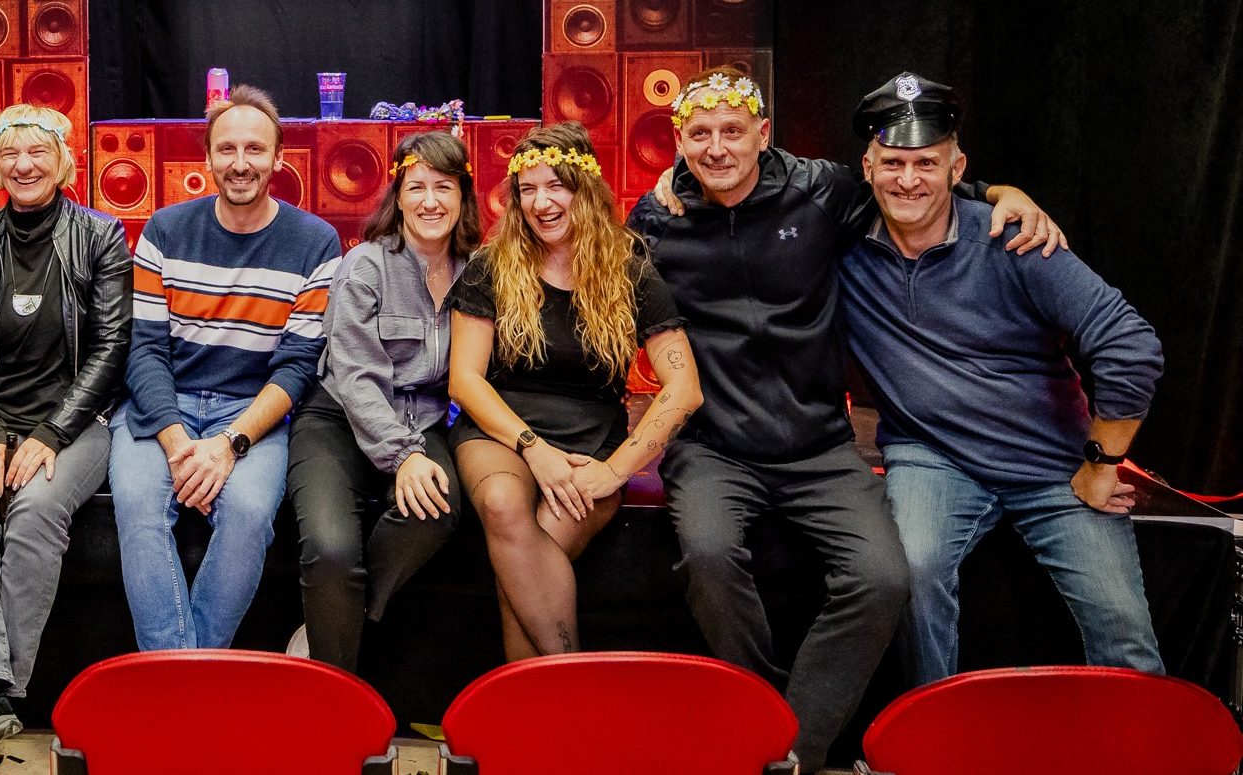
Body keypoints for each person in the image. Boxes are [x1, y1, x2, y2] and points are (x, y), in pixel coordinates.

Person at [628, 65, 1065, 769]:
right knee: (707, 557)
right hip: (713, 447)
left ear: (762, 133)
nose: (717, 147)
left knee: (883, 577)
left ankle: (794, 749)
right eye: (700, 134)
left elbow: (912, 190)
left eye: (733, 130)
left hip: (819, 447)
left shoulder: (821, 189)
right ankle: (764, 720)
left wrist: (1001, 193)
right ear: (679, 141)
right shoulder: (656, 218)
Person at [838, 72, 1164, 686]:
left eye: (927, 163)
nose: (908, 179)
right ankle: (929, 728)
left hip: (1052, 463)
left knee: (1122, 624)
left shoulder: (1014, 238)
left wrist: (1102, 462)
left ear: (956, 167)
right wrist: (677, 181)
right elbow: (749, 179)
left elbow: (1130, 343)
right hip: (930, 456)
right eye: (894, 163)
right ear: (868, 167)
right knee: (911, 574)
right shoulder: (844, 243)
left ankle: (1143, 736)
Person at [447, 123, 699, 660]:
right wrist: (533, 449)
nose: (541, 203)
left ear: (584, 188)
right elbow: (464, 380)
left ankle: (535, 702)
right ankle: (570, 681)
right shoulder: (491, 267)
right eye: (528, 190)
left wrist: (615, 471)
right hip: (501, 432)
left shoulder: (630, 270)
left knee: (526, 563)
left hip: (593, 445)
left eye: (555, 186)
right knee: (502, 506)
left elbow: (684, 389)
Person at [111, 84, 343, 650]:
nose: (241, 163)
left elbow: (296, 368)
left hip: (251, 411)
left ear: (279, 158)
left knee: (248, 513)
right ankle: (186, 679)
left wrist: (229, 444)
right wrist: (176, 443)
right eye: (227, 149)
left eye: (255, 149)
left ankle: (179, 677)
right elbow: (145, 351)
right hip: (162, 406)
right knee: (139, 510)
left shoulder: (316, 243)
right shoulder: (165, 230)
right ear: (209, 158)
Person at [0, 104, 131, 741]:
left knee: (36, 509)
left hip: (75, 422)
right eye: (10, 154)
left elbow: (111, 349)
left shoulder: (100, 235)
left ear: (64, 163)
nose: (23, 165)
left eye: (37, 152)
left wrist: (50, 434)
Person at [283, 131, 478, 671]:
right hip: (337, 419)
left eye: (444, 187)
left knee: (436, 509)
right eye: (416, 187)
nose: (430, 201)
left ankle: (333, 619)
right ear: (398, 195)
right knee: (331, 551)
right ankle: (333, 692)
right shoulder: (366, 264)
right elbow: (356, 375)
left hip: (421, 421)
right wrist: (403, 455)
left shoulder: (476, 272)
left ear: (463, 195)